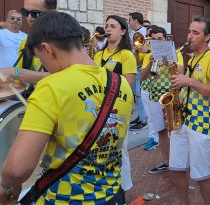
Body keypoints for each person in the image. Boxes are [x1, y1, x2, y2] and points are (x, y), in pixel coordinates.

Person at [0, 11, 133, 204]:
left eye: (42, 58)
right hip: (112, 194)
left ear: (47, 49)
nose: (46, 67)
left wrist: (6, 184)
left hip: (65, 198)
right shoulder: (121, 83)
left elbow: (17, 169)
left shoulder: (52, 86)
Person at [170, 16, 210, 205]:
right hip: (183, 120)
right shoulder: (193, 58)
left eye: (195, 33)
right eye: (189, 31)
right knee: (176, 168)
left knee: (201, 175)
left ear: (207, 37)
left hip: (203, 124)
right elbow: (190, 86)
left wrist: (189, 81)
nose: (190, 36)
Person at [93, 15, 137, 195]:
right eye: (106, 25)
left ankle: (123, 188)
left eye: (113, 26)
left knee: (119, 150)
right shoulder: (97, 54)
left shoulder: (126, 55)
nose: (108, 29)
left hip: (116, 108)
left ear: (123, 31)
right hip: (97, 106)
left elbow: (128, 85)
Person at [140, 26, 184, 173]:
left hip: (171, 95)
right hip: (154, 95)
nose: (157, 42)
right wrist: (150, 63)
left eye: (160, 39)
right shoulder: (149, 55)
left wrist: (167, 62)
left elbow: (181, 71)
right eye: (153, 39)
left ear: (165, 39)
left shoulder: (175, 52)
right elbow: (143, 77)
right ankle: (166, 162)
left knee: (175, 129)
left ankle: (179, 161)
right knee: (160, 130)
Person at [0, 0, 57, 90]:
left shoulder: (63, 40)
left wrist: (15, 72)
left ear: (52, 13)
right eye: (25, 12)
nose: (29, 18)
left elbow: (64, 75)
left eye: (36, 13)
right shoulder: (25, 42)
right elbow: (21, 78)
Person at [128, 12, 148, 129]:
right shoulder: (137, 33)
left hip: (140, 66)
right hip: (136, 65)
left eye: (129, 20)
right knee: (137, 94)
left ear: (135, 20)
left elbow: (142, 50)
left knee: (139, 94)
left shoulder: (142, 33)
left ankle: (143, 119)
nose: (129, 22)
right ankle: (141, 116)